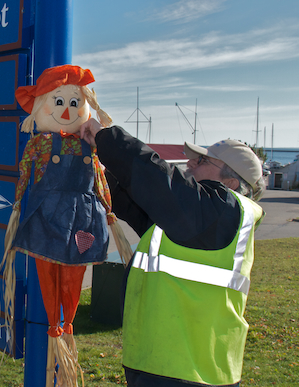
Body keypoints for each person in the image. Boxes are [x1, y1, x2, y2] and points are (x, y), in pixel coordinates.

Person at [80, 120, 265, 387]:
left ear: (231, 181)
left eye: (201, 161)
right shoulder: (193, 219)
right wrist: (91, 166)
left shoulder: (222, 212)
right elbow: (134, 196)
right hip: (165, 364)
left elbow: (158, 181)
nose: (190, 164)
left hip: (189, 372)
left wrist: (108, 139)